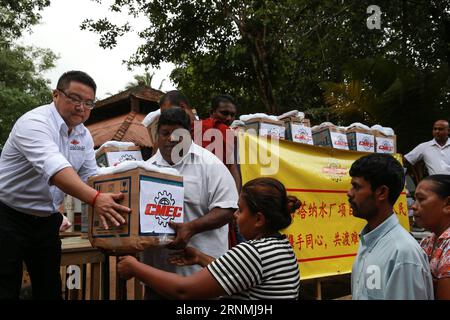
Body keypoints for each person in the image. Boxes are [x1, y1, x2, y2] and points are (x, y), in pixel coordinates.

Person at [0, 71, 131, 300]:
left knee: (50, 289)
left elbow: (92, 176)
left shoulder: (84, 135)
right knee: (5, 287)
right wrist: (95, 198)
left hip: (47, 222)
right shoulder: (34, 123)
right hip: (8, 216)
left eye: (89, 103)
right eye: (74, 98)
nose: (81, 107)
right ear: (56, 95)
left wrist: (130, 179)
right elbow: (57, 170)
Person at [118, 177, 301, 299]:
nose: (235, 215)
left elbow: (184, 290)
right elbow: (240, 273)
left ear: (259, 219)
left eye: (240, 210)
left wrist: (135, 267)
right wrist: (199, 257)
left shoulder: (252, 252)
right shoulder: (282, 247)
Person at [140, 107, 239, 299]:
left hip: (201, 282)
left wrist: (191, 228)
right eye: (165, 133)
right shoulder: (145, 169)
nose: (171, 139)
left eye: (177, 133)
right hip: (157, 280)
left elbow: (228, 207)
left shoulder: (210, 164)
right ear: (157, 135)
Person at [348, 153, 434, 300]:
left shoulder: (402, 253)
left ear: (381, 192)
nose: (349, 193)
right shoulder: (369, 241)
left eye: (356, 186)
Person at [200, 94, 242, 247]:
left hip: (220, 194)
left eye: (232, 114)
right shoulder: (200, 129)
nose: (229, 118)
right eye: (224, 113)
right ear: (212, 112)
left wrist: (234, 202)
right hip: (202, 191)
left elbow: (232, 167)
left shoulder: (228, 133)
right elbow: (232, 168)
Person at [411, 174, 450, 300]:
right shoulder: (427, 242)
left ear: (447, 204)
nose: (414, 206)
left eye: (421, 199)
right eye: (414, 199)